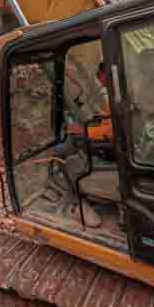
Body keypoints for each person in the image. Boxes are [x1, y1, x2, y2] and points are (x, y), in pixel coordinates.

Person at [50, 62, 113, 226]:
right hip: (115, 140)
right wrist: (99, 117)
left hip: (112, 147)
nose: (100, 82)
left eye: (100, 77)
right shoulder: (122, 91)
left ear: (105, 74)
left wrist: (84, 131)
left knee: (64, 151)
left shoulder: (116, 91)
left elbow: (112, 130)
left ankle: (77, 196)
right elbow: (109, 119)